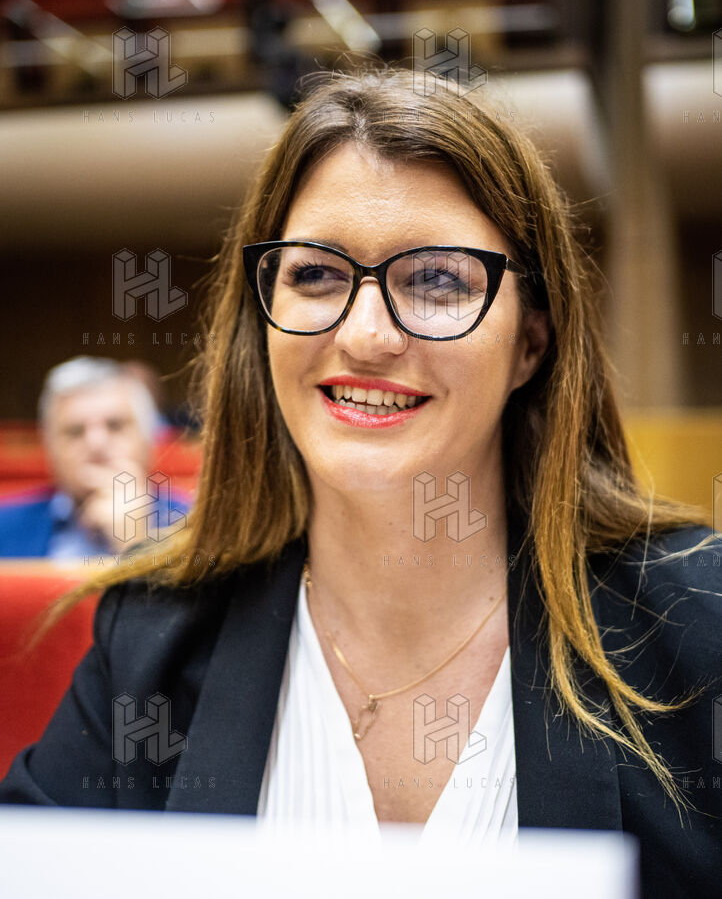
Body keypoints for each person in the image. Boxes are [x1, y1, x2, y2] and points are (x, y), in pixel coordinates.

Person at [0, 67, 719, 898]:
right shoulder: (154, 634)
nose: (367, 336)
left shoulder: (699, 622)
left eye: (438, 279)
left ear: (531, 343)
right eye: (316, 275)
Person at [0, 356, 190, 557]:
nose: (96, 443)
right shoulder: (5, 527)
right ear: (50, 447)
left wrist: (134, 543)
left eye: (115, 426)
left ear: (148, 441)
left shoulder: (192, 523)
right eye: (75, 431)